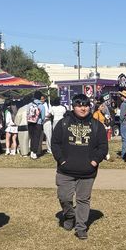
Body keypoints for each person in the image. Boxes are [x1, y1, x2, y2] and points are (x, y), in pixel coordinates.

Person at [51, 92, 108, 240]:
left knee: (83, 199)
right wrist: (61, 160)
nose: (83, 108)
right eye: (79, 105)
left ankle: (81, 227)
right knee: (64, 197)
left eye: (86, 105)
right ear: (73, 107)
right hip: (65, 170)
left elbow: (103, 147)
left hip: (87, 172)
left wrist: (94, 161)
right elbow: (55, 143)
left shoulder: (97, 125)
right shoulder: (63, 123)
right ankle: (70, 216)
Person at [27, 91, 47, 158]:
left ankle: (31, 151)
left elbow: (27, 113)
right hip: (38, 123)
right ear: (40, 97)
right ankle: (34, 153)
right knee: (37, 138)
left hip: (30, 122)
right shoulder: (41, 106)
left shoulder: (30, 104)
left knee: (32, 137)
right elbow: (43, 117)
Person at [116, 90, 126, 162]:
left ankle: (123, 154)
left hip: (124, 123)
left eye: (121, 96)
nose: (120, 97)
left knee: (124, 139)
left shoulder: (123, 104)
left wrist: (120, 121)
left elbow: (122, 116)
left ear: (123, 97)